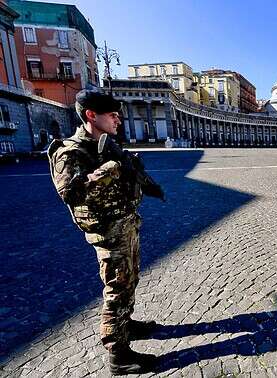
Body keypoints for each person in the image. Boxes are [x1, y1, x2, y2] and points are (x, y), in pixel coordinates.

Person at [48, 89, 161, 375]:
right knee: (117, 287)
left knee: (129, 280)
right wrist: (110, 168)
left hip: (125, 226)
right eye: (112, 116)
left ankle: (126, 324)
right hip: (107, 233)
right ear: (90, 115)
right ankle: (118, 354)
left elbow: (128, 170)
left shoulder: (106, 144)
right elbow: (71, 193)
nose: (118, 121)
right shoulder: (70, 152)